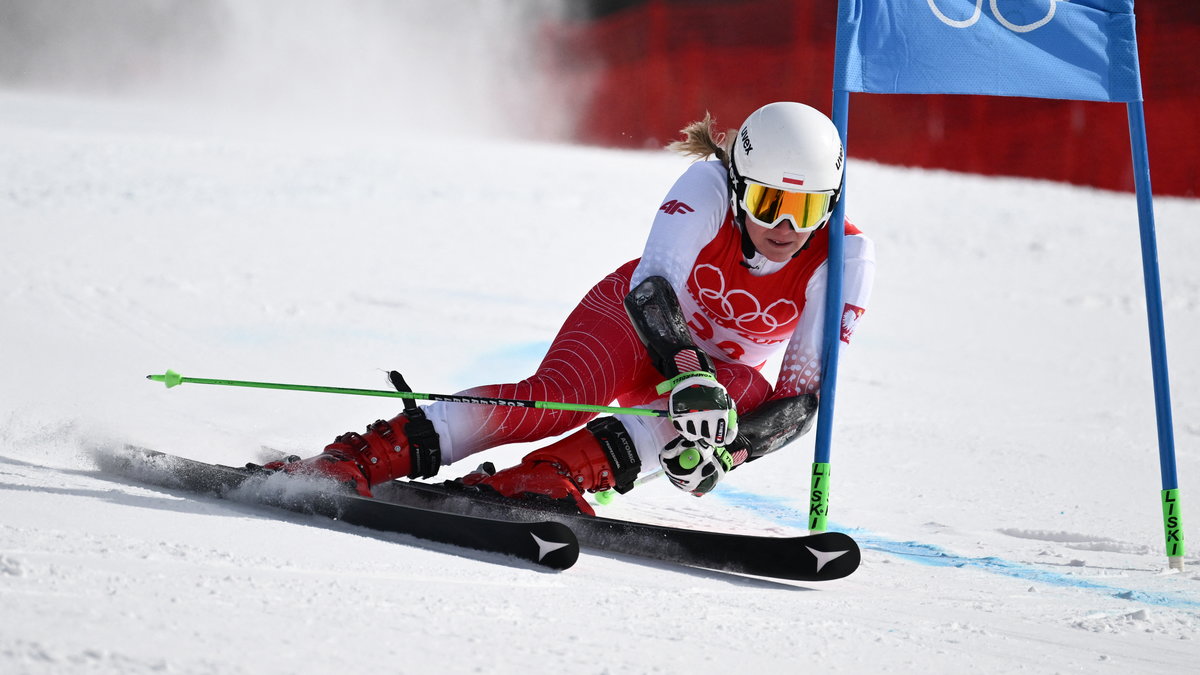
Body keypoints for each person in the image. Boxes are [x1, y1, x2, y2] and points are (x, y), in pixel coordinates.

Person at [262, 101, 876, 515]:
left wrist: (727, 453)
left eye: (805, 208)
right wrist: (689, 371)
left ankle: (548, 477)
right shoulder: (708, 188)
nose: (783, 226)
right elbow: (652, 288)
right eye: (768, 201)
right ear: (739, 183)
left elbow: (802, 399)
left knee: (740, 389)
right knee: (556, 397)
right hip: (638, 326)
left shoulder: (844, 258)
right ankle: (369, 454)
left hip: (701, 385)